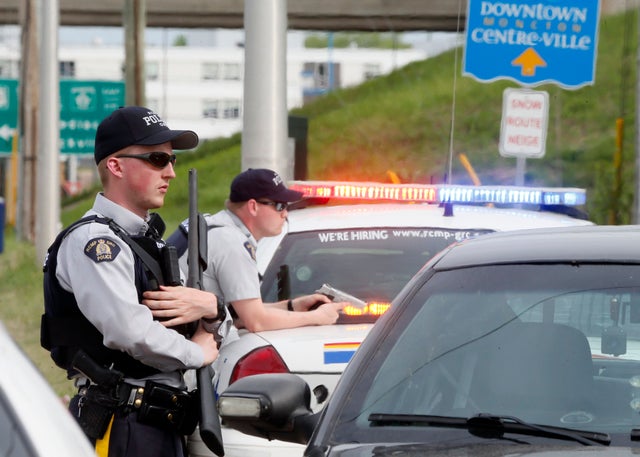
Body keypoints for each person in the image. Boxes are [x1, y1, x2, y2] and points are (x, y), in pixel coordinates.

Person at [41, 106, 223, 457]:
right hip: (121, 422)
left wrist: (214, 309)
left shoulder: (145, 241)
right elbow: (129, 332)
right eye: (157, 159)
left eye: (171, 160)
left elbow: (195, 320)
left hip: (156, 421)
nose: (170, 172)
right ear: (116, 165)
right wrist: (195, 353)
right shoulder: (96, 243)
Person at [144, 168, 345, 335]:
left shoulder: (214, 227)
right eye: (279, 205)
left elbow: (239, 313)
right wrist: (317, 317)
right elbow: (256, 321)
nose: (285, 213)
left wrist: (293, 306)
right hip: (182, 354)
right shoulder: (231, 242)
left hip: (168, 338)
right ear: (253, 206)